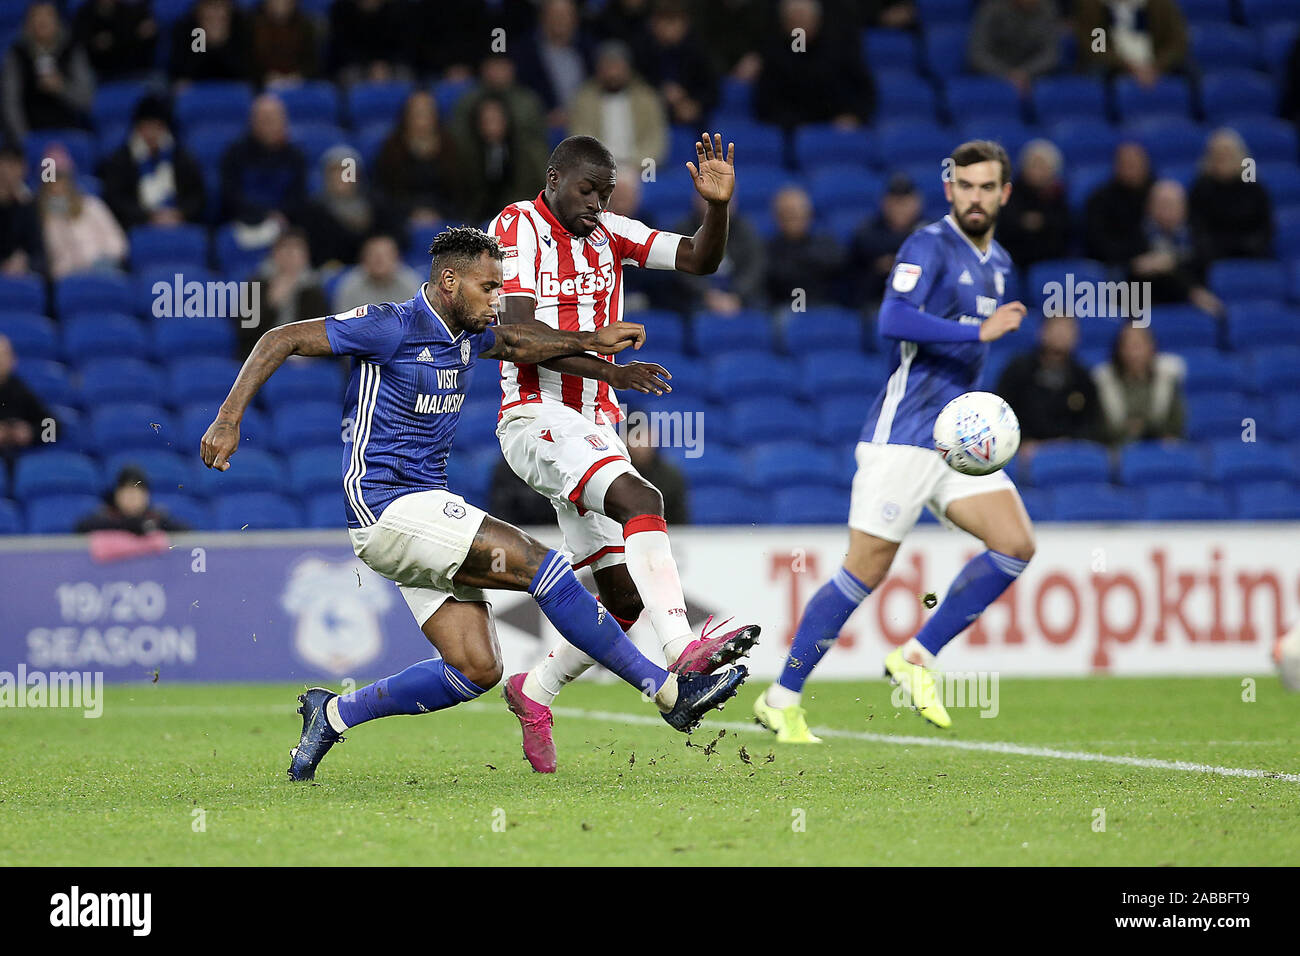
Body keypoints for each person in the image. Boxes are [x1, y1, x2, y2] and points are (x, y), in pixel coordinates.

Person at [199, 226, 748, 781]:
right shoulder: (390, 325)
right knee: (544, 568)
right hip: (385, 506)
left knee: (475, 669)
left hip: (418, 515)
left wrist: (597, 350)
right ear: (448, 281)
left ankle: (333, 713)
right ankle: (669, 691)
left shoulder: (471, 333)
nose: (497, 300)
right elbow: (280, 338)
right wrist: (228, 420)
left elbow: (519, 343)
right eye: (489, 288)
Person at [488, 134, 760, 773]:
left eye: (606, 192)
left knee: (622, 600)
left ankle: (536, 688)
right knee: (644, 497)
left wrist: (716, 208)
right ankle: (682, 651)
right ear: (554, 178)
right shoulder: (516, 226)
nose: (598, 203)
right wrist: (608, 363)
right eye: (588, 190)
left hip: (593, 427)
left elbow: (697, 259)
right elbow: (514, 338)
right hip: (535, 416)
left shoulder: (609, 232)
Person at [755, 141, 1034, 742]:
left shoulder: (1001, 262)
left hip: (956, 443)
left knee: (1015, 544)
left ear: (1004, 194)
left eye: (987, 187)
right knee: (865, 570)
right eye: (965, 185)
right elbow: (892, 319)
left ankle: (916, 658)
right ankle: (781, 698)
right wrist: (976, 329)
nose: (976, 196)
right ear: (950, 189)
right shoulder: (928, 246)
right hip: (904, 436)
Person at [755, 0, 873, 129]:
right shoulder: (775, 56)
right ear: (784, 23)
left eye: (803, 18)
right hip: (792, 131)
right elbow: (766, 105)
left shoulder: (840, 50)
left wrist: (854, 115)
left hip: (836, 127)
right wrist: (793, 125)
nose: (799, 26)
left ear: (817, 19)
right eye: (793, 20)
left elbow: (864, 92)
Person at [98, 94, 206, 230]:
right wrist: (148, 216)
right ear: (137, 128)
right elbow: (115, 199)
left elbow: (197, 196)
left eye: (157, 127)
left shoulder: (181, 156)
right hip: (137, 225)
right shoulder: (120, 160)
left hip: (179, 222)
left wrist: (180, 213)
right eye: (146, 127)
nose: (152, 133)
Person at [995, 313, 1104, 446]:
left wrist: (1071, 441)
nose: (1061, 335)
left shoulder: (1082, 377)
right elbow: (1003, 412)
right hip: (1023, 447)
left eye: (1068, 329)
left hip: (1069, 448)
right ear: (1042, 332)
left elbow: (1092, 421)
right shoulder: (1019, 370)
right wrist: (1022, 440)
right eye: (1057, 328)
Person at [2, 1, 94, 141]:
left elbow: (86, 100)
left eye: (47, 17)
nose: (42, 22)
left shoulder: (71, 49)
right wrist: (24, 139)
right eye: (37, 18)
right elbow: (10, 102)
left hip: (69, 131)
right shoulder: (17, 54)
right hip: (32, 133)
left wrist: (61, 87)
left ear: (57, 21)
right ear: (28, 24)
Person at [567, 40, 667, 168]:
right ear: (598, 70)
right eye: (608, 67)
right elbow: (580, 139)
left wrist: (634, 166)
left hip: (640, 167)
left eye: (617, 66)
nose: (613, 73)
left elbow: (655, 141)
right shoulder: (584, 100)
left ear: (628, 69)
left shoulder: (647, 99)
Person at [1131, 178, 1222, 316]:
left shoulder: (1198, 234)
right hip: (1148, 306)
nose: (1166, 210)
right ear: (1149, 207)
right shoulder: (1136, 236)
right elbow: (1137, 277)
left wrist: (1167, 264)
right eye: (1161, 204)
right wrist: (1189, 289)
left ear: (1184, 208)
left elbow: (1201, 267)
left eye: (1171, 204)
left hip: (1191, 306)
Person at [37, 144, 128, 279]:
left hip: (103, 267)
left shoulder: (92, 205)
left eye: (60, 178)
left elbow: (119, 243)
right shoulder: (41, 218)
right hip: (68, 277)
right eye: (51, 180)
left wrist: (98, 261)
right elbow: (51, 261)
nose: (56, 185)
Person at [375, 90, 460, 227]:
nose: (422, 118)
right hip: (402, 220)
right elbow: (385, 193)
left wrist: (439, 214)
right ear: (406, 116)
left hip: (446, 219)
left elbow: (460, 194)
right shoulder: (392, 148)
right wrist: (411, 213)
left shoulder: (450, 147)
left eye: (427, 112)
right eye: (417, 113)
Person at [1093, 321, 1185, 446]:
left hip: (1159, 446)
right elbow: (1098, 427)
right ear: (1119, 349)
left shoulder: (1166, 379)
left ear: (1151, 347)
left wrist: (1146, 428)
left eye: (1139, 344)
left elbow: (1176, 424)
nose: (1134, 351)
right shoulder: (1103, 381)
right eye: (1129, 345)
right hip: (1116, 449)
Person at [220, 94, 307, 227]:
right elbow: (230, 196)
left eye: (274, 120)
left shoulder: (296, 156)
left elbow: (298, 198)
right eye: (265, 120)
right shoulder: (235, 154)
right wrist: (264, 215)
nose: (270, 126)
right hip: (244, 222)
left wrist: (280, 215)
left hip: (285, 223)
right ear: (252, 122)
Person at [1189, 129, 1272, 263]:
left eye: (1228, 154)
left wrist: (1250, 247)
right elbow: (1196, 228)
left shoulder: (1253, 186)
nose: (1223, 159)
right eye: (1217, 155)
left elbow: (1266, 227)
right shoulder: (1200, 187)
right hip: (1212, 256)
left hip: (1252, 254)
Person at [764, 185, 847, 308]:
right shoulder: (769, 248)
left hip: (822, 306)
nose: (793, 219)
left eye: (797, 213)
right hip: (783, 307)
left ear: (808, 215)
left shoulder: (825, 243)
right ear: (777, 218)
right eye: (787, 214)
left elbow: (838, 265)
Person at [849, 172, 924, 304]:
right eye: (895, 203)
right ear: (884, 203)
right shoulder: (867, 234)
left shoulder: (930, 231)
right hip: (876, 301)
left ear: (917, 203)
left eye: (905, 203)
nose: (900, 209)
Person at [1075, 0, 1187, 86]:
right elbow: (1097, 48)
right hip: (1113, 67)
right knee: (1096, 72)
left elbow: (1177, 43)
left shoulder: (1160, 5)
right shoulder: (1094, 6)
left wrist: (1156, 66)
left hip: (1156, 64)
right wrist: (1129, 67)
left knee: (1189, 72)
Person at [996, 139, 1069, 267]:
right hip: (1018, 260)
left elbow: (1064, 229)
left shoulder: (1058, 194)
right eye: (1034, 165)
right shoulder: (1011, 194)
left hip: (1053, 258)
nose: (1038, 171)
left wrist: (1040, 222)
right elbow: (1007, 228)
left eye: (1043, 166)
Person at [1085, 141, 1154, 267]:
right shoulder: (1100, 199)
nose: (1131, 169)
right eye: (1126, 164)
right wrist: (1133, 260)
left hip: (1157, 261)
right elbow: (1098, 242)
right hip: (1118, 264)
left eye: (1136, 164)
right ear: (1116, 166)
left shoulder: (1157, 193)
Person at [968, 0, 1061, 94]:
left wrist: (1025, 72)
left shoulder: (1047, 9)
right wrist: (1007, 74)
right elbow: (978, 54)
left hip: (1034, 75)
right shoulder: (991, 9)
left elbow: (1051, 54)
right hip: (995, 76)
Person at [76, 465, 189, 535]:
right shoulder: (104, 517)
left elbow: (186, 533)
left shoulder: (156, 518)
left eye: (137, 491)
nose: (132, 497)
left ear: (146, 495)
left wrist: (149, 526)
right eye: (127, 491)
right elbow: (81, 529)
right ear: (117, 495)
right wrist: (127, 527)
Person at [332, 233, 420, 314]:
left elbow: (418, 323)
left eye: (385, 255)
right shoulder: (350, 284)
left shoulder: (410, 282)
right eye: (373, 255)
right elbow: (342, 325)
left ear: (397, 258)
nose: (379, 260)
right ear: (363, 259)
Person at [0, 334, 50, 474]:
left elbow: (53, 427)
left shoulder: (20, 390)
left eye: (4, 355)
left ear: (13, 360)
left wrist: (31, 433)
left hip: (20, 460)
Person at [71, 0, 158, 81]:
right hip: (100, 75)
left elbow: (144, 33)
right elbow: (80, 44)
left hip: (134, 71)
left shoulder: (128, 11)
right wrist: (94, 43)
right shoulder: (84, 15)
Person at [169, 0, 250, 83]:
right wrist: (203, 40)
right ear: (199, 9)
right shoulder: (185, 27)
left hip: (233, 87)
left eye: (220, 7)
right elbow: (183, 73)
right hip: (196, 87)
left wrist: (221, 42)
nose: (214, 14)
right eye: (209, 7)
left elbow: (244, 73)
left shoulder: (241, 25)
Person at [0, 143, 46, 277]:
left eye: (15, 165)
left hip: (16, 278)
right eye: (5, 164)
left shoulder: (27, 207)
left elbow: (39, 257)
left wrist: (25, 262)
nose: (8, 172)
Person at [249, 0, 319, 86]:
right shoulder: (252, 26)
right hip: (261, 86)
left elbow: (312, 63)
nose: (280, 4)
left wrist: (298, 76)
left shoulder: (305, 27)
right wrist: (265, 76)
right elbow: (248, 63)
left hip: (299, 84)